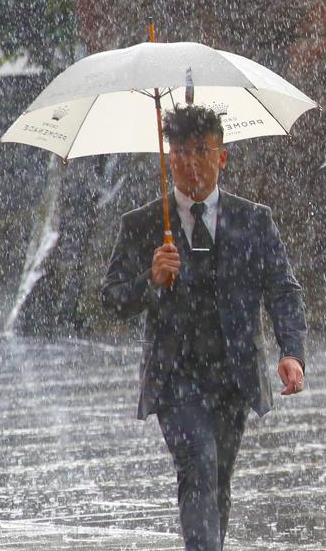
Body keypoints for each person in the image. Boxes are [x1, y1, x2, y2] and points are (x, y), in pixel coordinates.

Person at [102, 104, 307, 551]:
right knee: (197, 465)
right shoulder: (142, 225)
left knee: (217, 479)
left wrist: (291, 352)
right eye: (178, 152)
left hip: (233, 376)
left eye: (201, 150)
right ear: (166, 157)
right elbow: (112, 299)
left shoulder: (254, 220)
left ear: (222, 157)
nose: (189, 162)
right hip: (174, 377)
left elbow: (282, 290)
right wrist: (150, 280)